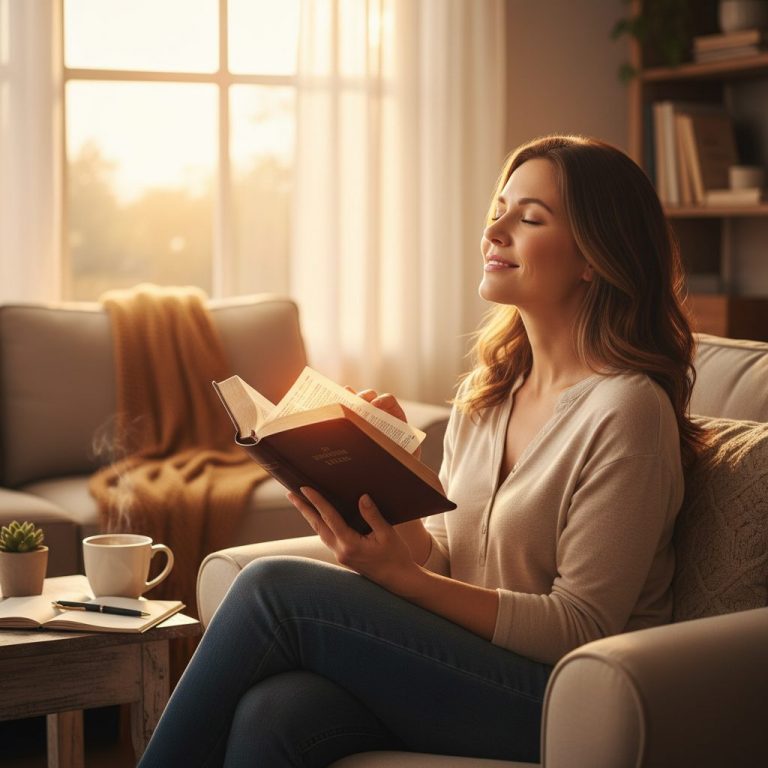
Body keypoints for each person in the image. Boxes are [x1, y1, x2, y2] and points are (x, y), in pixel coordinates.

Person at [138, 135, 706, 767]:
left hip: (563, 697)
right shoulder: (486, 396)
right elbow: (443, 557)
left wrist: (400, 579)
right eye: (500, 207)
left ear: (594, 259)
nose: (496, 229)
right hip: (468, 668)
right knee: (276, 713)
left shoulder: (627, 411)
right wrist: (385, 491)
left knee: (271, 588)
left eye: (531, 217)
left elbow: (581, 626)